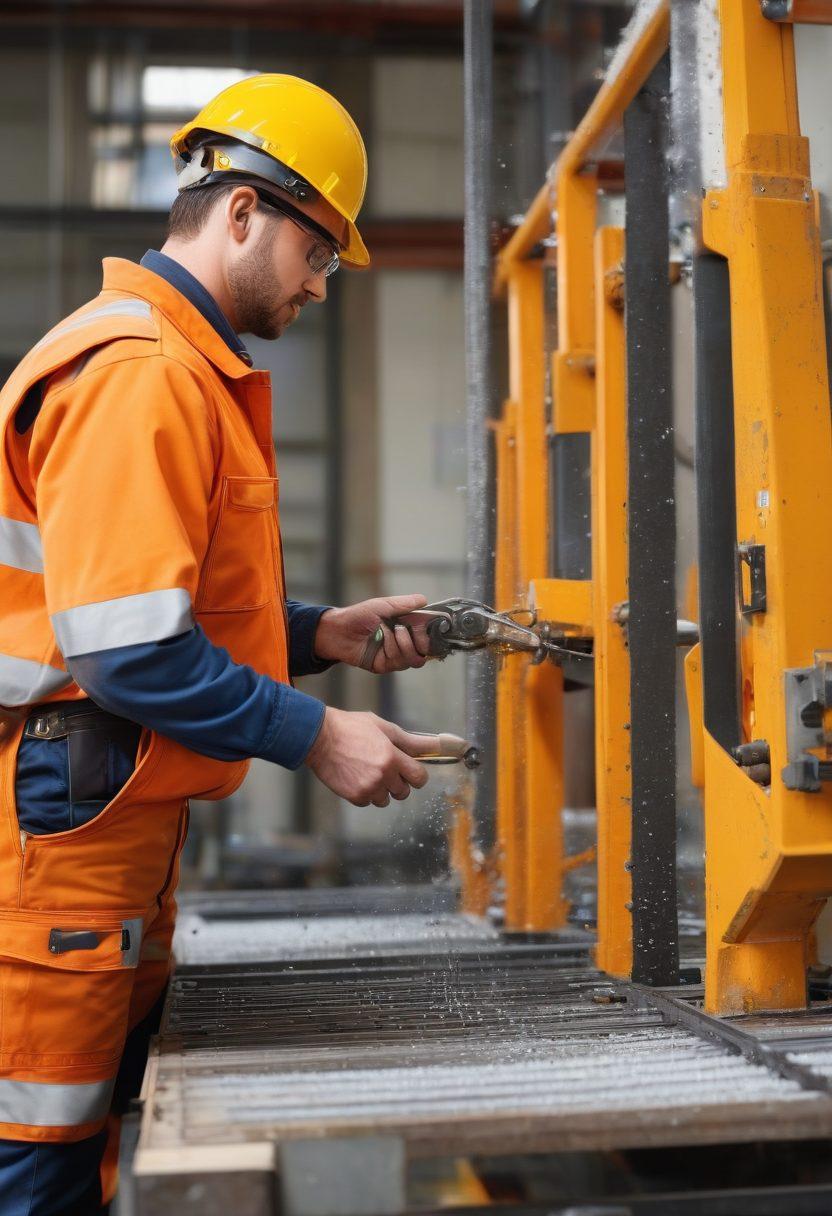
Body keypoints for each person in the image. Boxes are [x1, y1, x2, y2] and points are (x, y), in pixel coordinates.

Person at [0, 73, 441, 1213]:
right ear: (241, 212)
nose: (320, 286)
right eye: (317, 254)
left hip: (107, 805)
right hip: (67, 814)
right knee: (37, 1152)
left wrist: (319, 639)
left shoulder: (184, 370)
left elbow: (154, 613)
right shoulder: (141, 373)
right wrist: (316, 736)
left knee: (83, 1137)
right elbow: (126, 651)